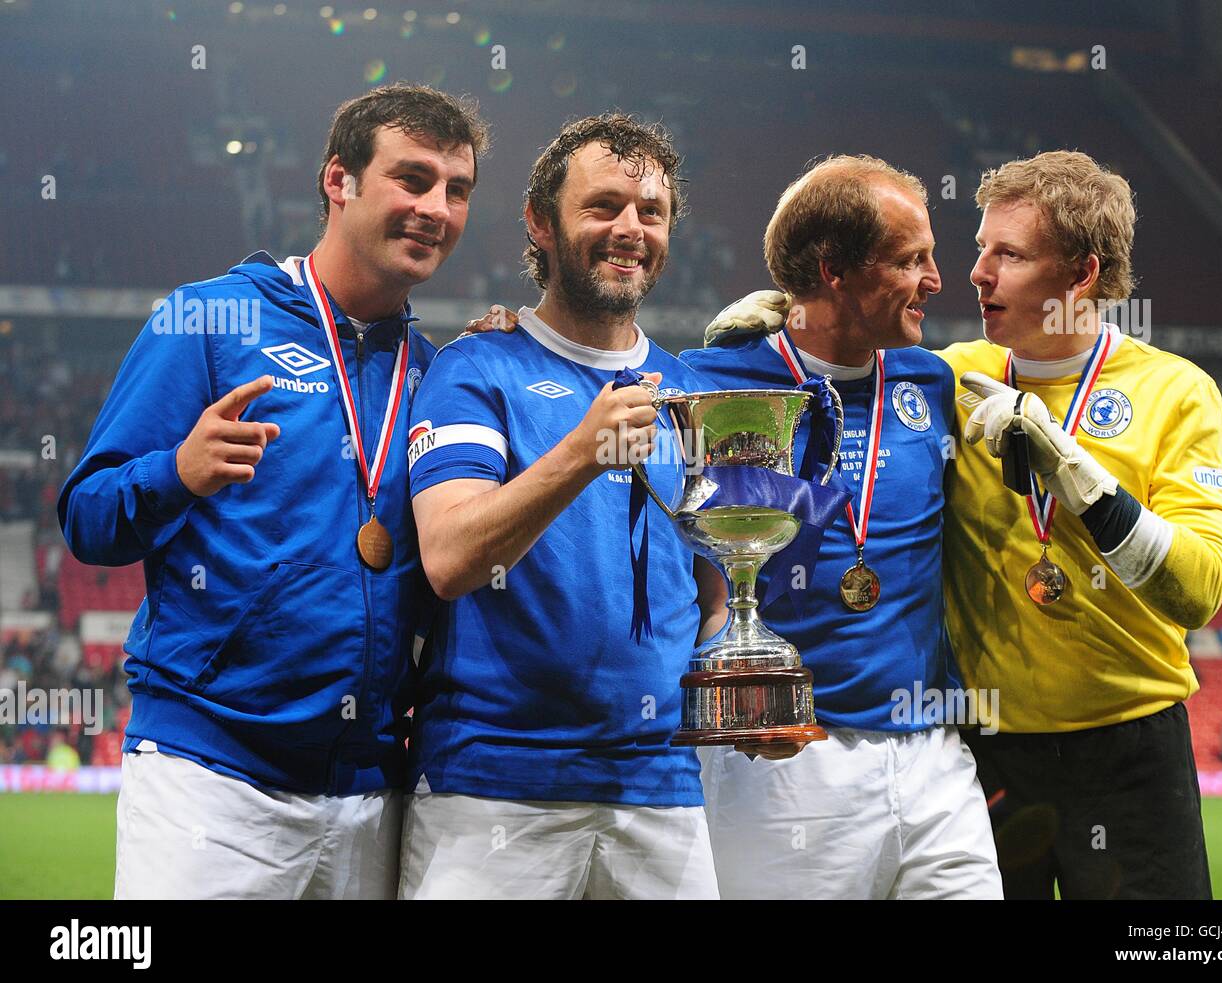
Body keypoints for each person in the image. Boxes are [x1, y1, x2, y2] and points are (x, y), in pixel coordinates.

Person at [58, 83, 488, 899]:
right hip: (212, 777)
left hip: (369, 788)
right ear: (339, 181)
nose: (436, 207)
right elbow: (87, 517)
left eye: (456, 190)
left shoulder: (441, 375)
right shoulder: (208, 321)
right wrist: (173, 473)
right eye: (413, 178)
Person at [399, 113, 725, 900]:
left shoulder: (691, 394)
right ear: (541, 223)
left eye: (651, 212)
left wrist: (743, 675)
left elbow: (711, 590)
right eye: (603, 205)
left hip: (662, 790)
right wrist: (581, 452)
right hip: (493, 787)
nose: (630, 229)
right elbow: (448, 557)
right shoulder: (475, 369)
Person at [676, 155, 1001, 899]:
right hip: (785, 760)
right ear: (833, 269)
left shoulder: (933, 380)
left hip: (932, 753)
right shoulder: (711, 384)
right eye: (910, 259)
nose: (936, 279)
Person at [947, 151, 1222, 898]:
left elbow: (1199, 588)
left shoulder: (1174, 391)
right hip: (986, 753)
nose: (978, 272)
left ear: (1081, 274)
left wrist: (1078, 477)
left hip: (1130, 755)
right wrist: (767, 353)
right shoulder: (946, 377)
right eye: (981, 248)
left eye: (1007, 254)